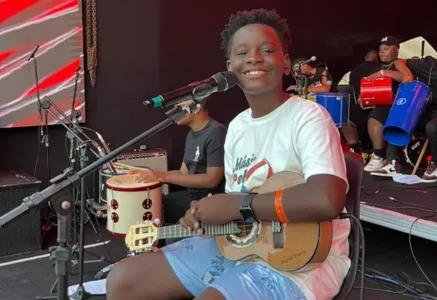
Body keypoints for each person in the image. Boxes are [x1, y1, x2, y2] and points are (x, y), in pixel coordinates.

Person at [106, 8, 350, 300]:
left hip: (302, 264)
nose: (254, 58)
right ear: (230, 67)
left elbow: (326, 200)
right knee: (123, 280)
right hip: (246, 248)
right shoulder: (237, 128)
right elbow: (240, 221)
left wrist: (241, 205)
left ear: (285, 63)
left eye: (267, 50)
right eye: (242, 52)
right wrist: (203, 217)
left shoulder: (309, 116)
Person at [371, 36, 437, 182]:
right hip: (427, 110)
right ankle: (393, 163)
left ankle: (436, 165)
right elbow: (400, 61)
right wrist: (407, 73)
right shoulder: (428, 63)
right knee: (401, 118)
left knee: (433, 126)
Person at [133, 101, 226, 225]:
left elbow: (212, 180)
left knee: (157, 217)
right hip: (190, 195)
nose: (175, 112)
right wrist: (152, 176)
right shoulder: (191, 135)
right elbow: (183, 172)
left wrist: (163, 176)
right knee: (149, 208)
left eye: (179, 107)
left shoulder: (216, 132)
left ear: (197, 108)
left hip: (207, 201)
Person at [344, 36, 413, 164]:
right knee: (346, 115)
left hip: (392, 107)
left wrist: (384, 73)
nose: (382, 52)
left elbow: (408, 78)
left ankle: (379, 156)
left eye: (386, 49)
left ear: (396, 50)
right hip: (374, 104)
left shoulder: (398, 63)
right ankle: (357, 152)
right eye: (380, 49)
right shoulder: (377, 67)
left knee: (376, 115)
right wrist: (362, 98)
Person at [340, 48, 381, 155]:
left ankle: (356, 151)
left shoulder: (354, 72)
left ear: (365, 58)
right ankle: (379, 154)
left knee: (346, 121)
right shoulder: (379, 69)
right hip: (375, 108)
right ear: (377, 59)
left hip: (358, 108)